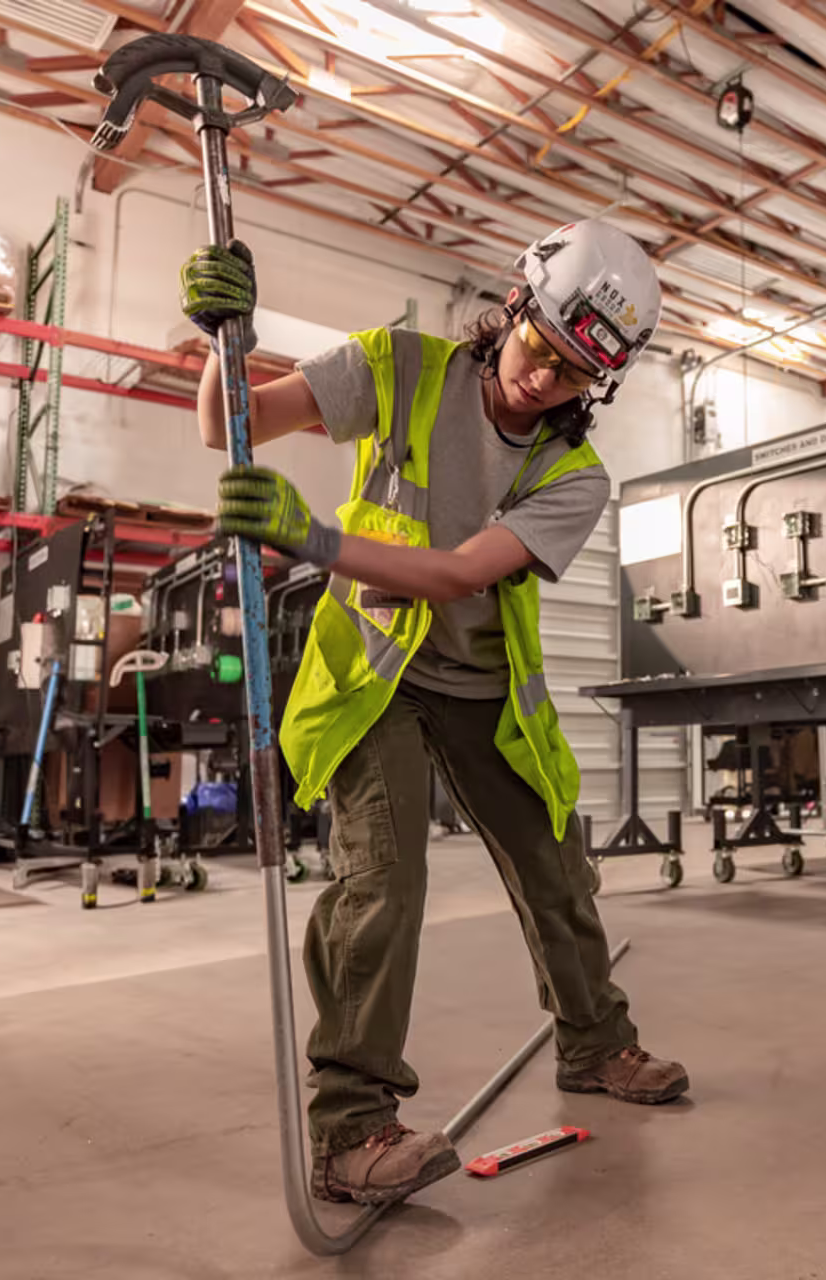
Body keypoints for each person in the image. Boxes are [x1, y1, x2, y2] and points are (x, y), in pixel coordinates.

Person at [180, 221, 689, 1208]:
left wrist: (313, 537)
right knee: (385, 876)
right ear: (515, 307)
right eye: (541, 345)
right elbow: (226, 423)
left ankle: (596, 1043)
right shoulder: (402, 365)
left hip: (488, 694)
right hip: (374, 677)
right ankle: (351, 1128)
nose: (545, 377)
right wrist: (220, 336)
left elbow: (459, 574)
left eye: (577, 372)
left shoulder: (572, 476)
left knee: (557, 871)